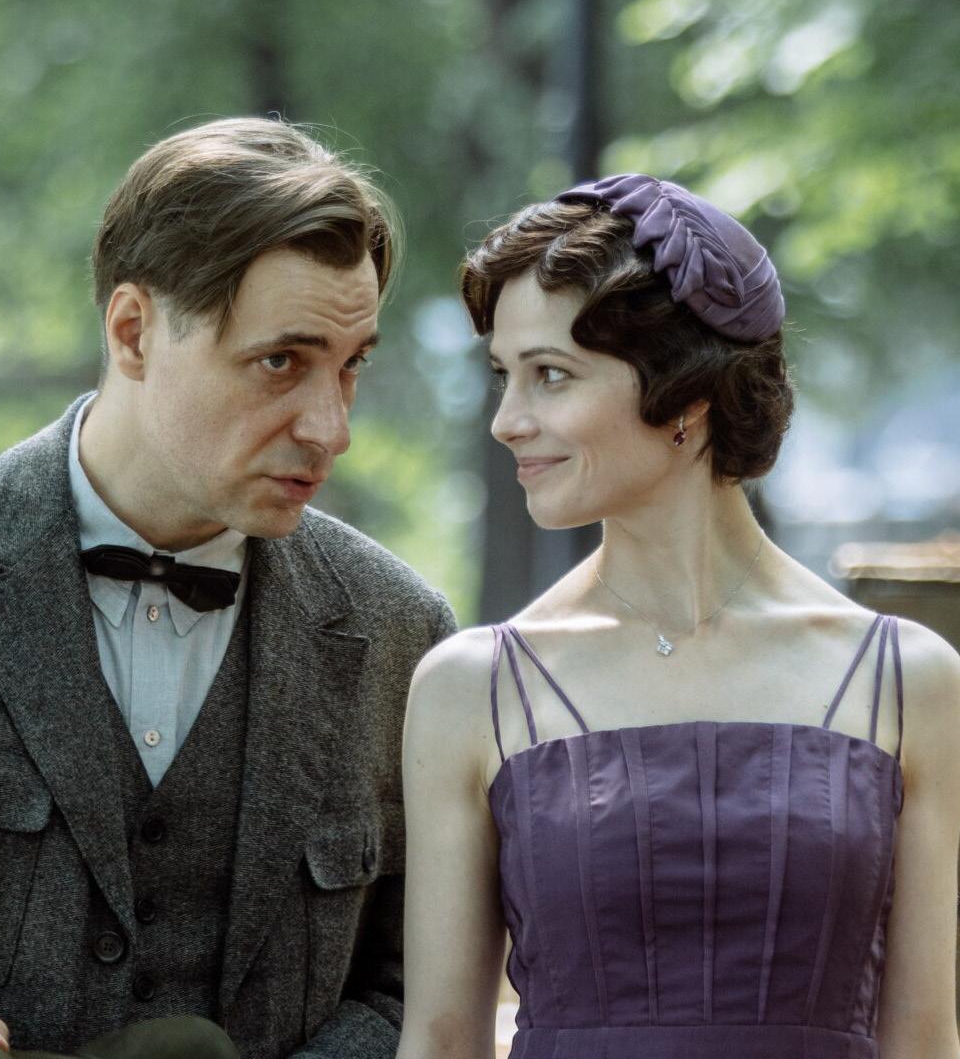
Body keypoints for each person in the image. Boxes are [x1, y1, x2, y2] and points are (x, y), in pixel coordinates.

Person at [0, 117, 455, 1059]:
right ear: (134, 331)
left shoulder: (404, 632)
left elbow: (413, 991)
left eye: (351, 366)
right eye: (282, 362)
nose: (331, 428)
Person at [398, 173, 960, 1058]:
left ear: (687, 395)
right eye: (504, 376)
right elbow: (438, 1041)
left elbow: (925, 1039)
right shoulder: (472, 687)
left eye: (550, 376)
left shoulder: (909, 680)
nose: (507, 420)